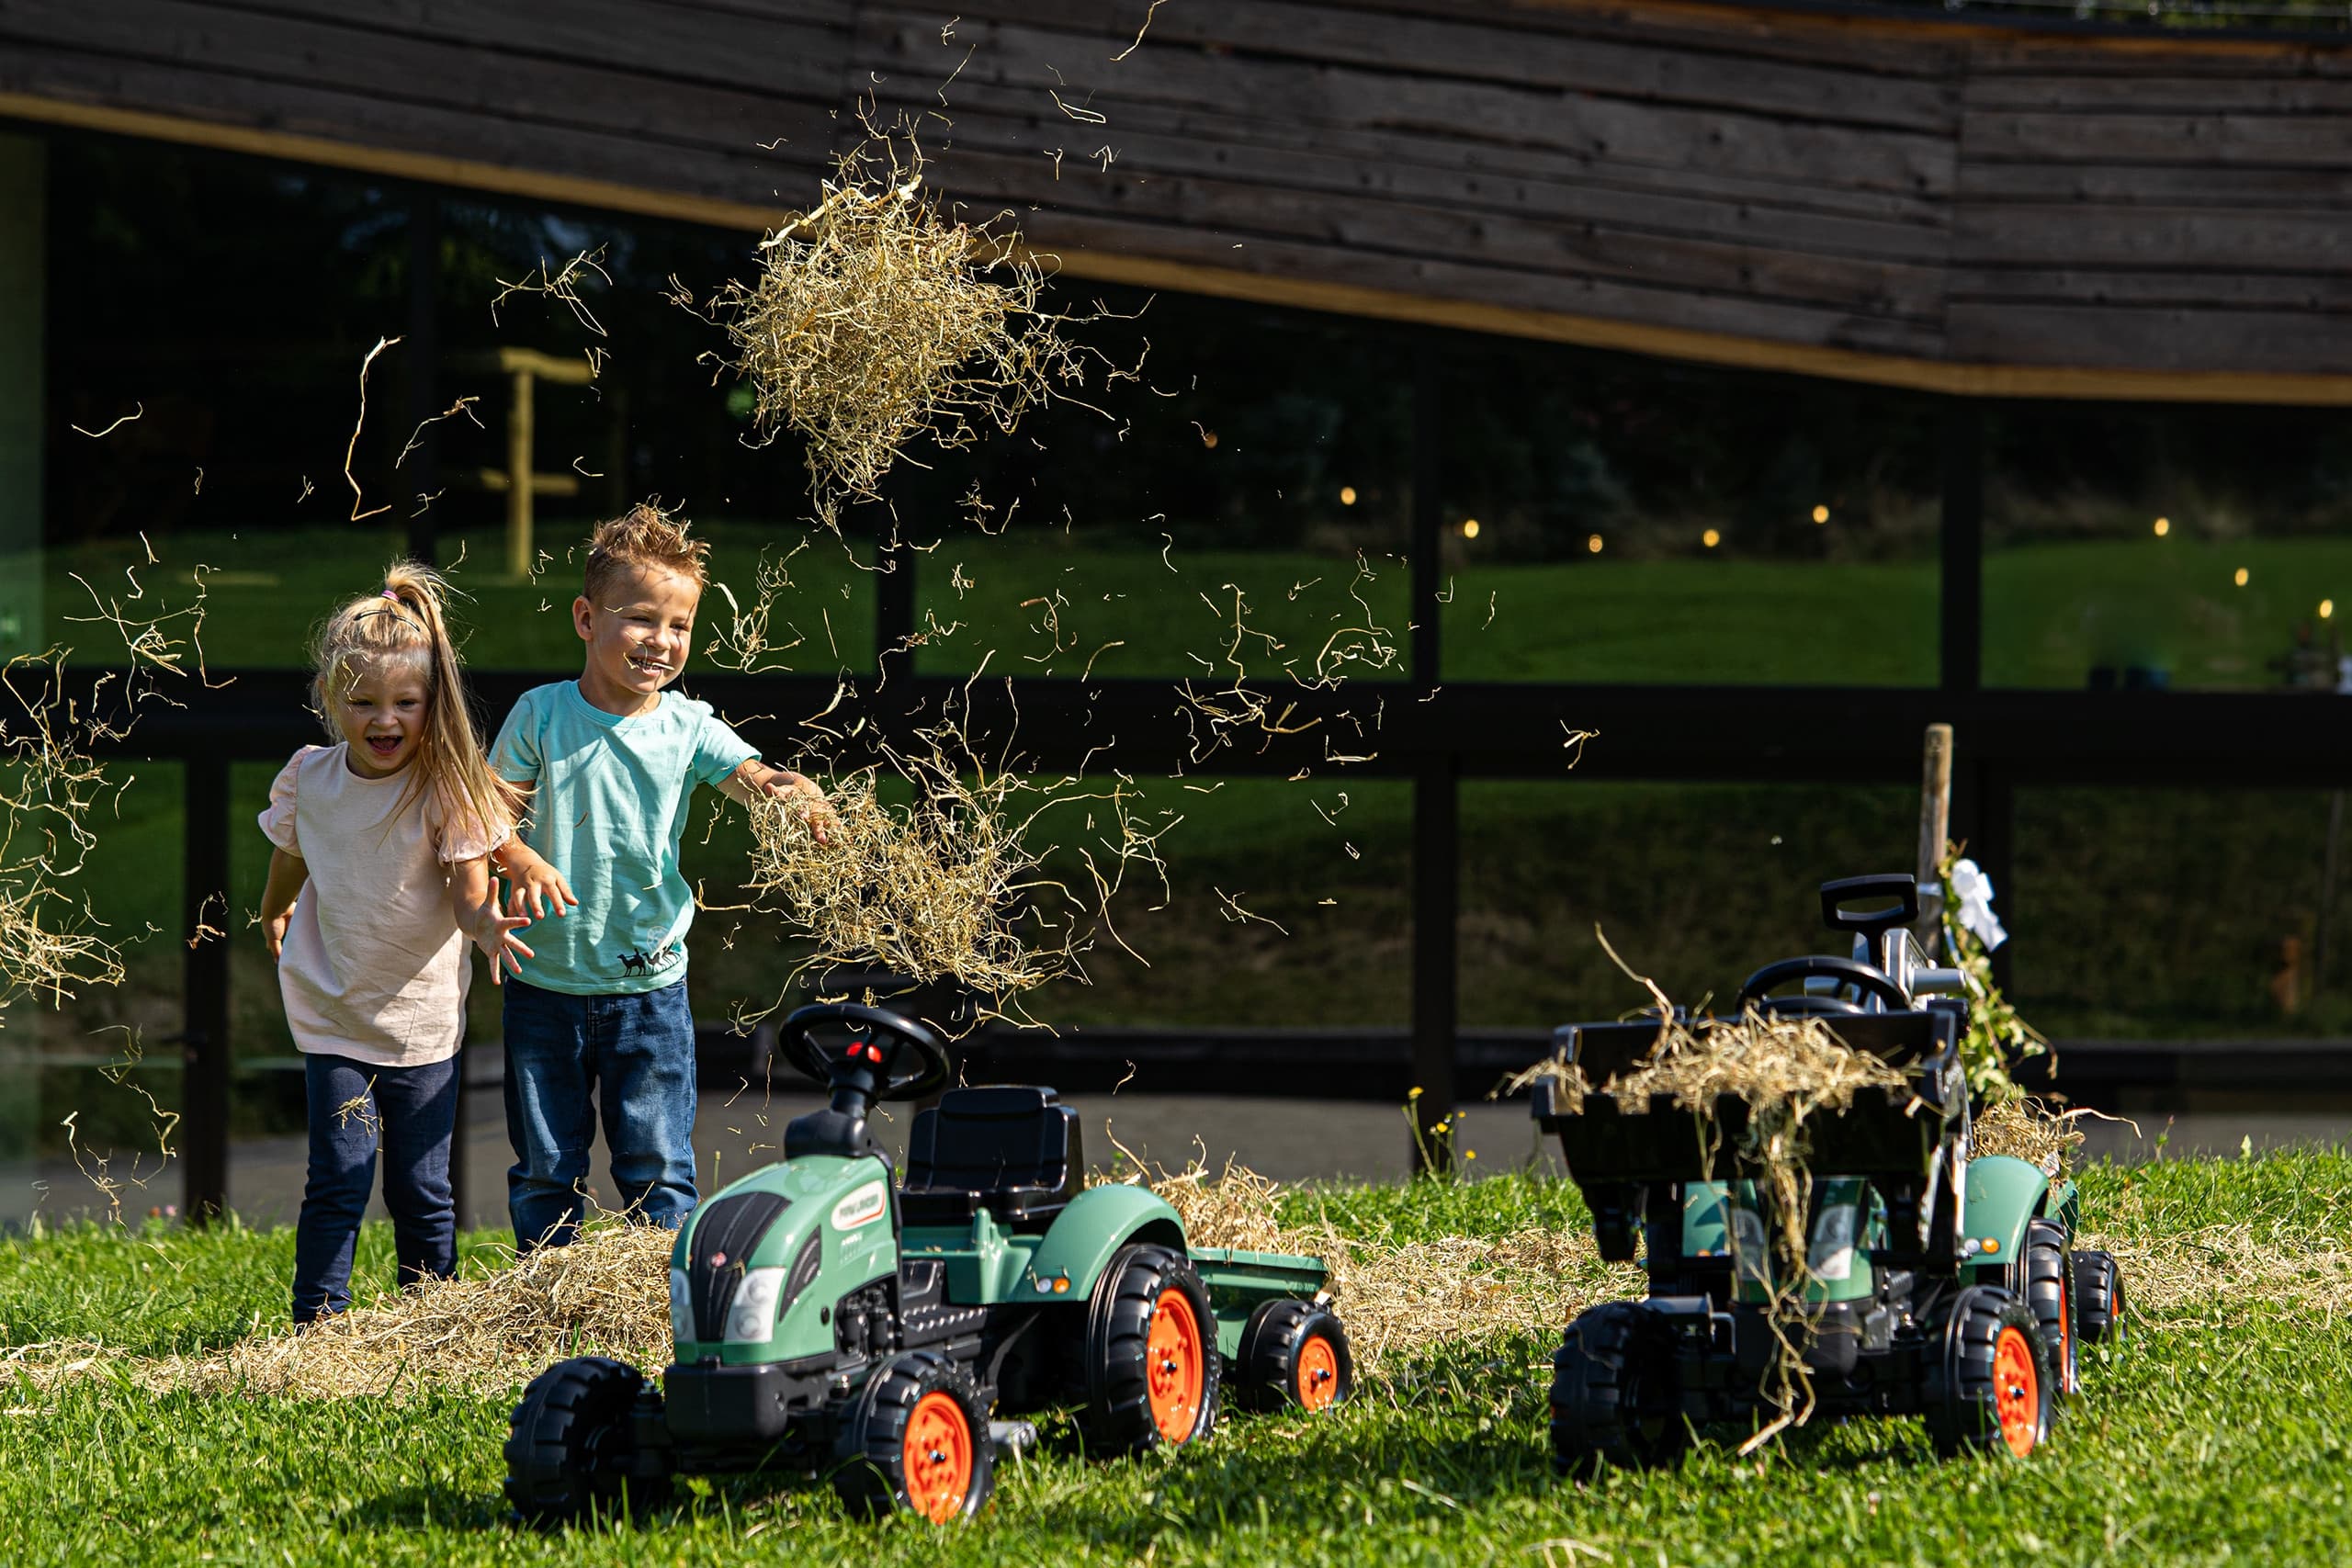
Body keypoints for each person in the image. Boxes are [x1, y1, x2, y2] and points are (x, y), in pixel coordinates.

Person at [489, 504, 831, 1252]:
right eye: (642, 618)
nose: (663, 641)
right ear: (585, 617)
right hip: (544, 981)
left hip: (649, 987)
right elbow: (486, 818)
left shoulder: (686, 724)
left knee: (659, 1165)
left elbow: (750, 775)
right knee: (548, 1165)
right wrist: (519, 857)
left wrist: (787, 791)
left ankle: (663, 1302)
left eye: (679, 625)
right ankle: (545, 1301)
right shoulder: (540, 716)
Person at [257, 566, 533, 1325]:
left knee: (421, 1186)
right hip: (335, 1016)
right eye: (365, 702)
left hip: (421, 1023)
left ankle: (429, 1322)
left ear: (431, 703)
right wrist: (272, 909)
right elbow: (291, 850)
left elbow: (470, 892)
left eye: (406, 703)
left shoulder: (442, 788)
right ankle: (318, 1324)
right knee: (339, 1178)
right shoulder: (309, 778)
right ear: (329, 696)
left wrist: (484, 928)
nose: (386, 720)